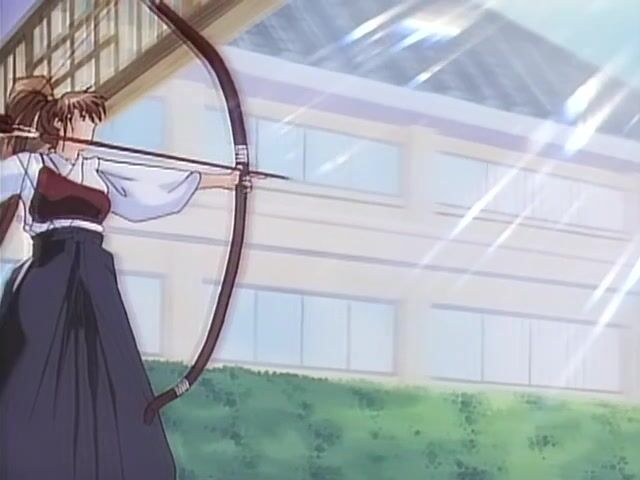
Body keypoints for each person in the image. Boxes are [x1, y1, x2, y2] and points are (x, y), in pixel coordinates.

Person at [0, 76, 242, 479]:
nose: (90, 130)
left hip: (94, 277)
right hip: (49, 275)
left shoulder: (99, 169)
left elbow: (158, 185)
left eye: (92, 122)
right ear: (59, 123)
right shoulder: (30, 166)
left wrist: (226, 180)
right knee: (33, 369)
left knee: (107, 371)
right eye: (83, 121)